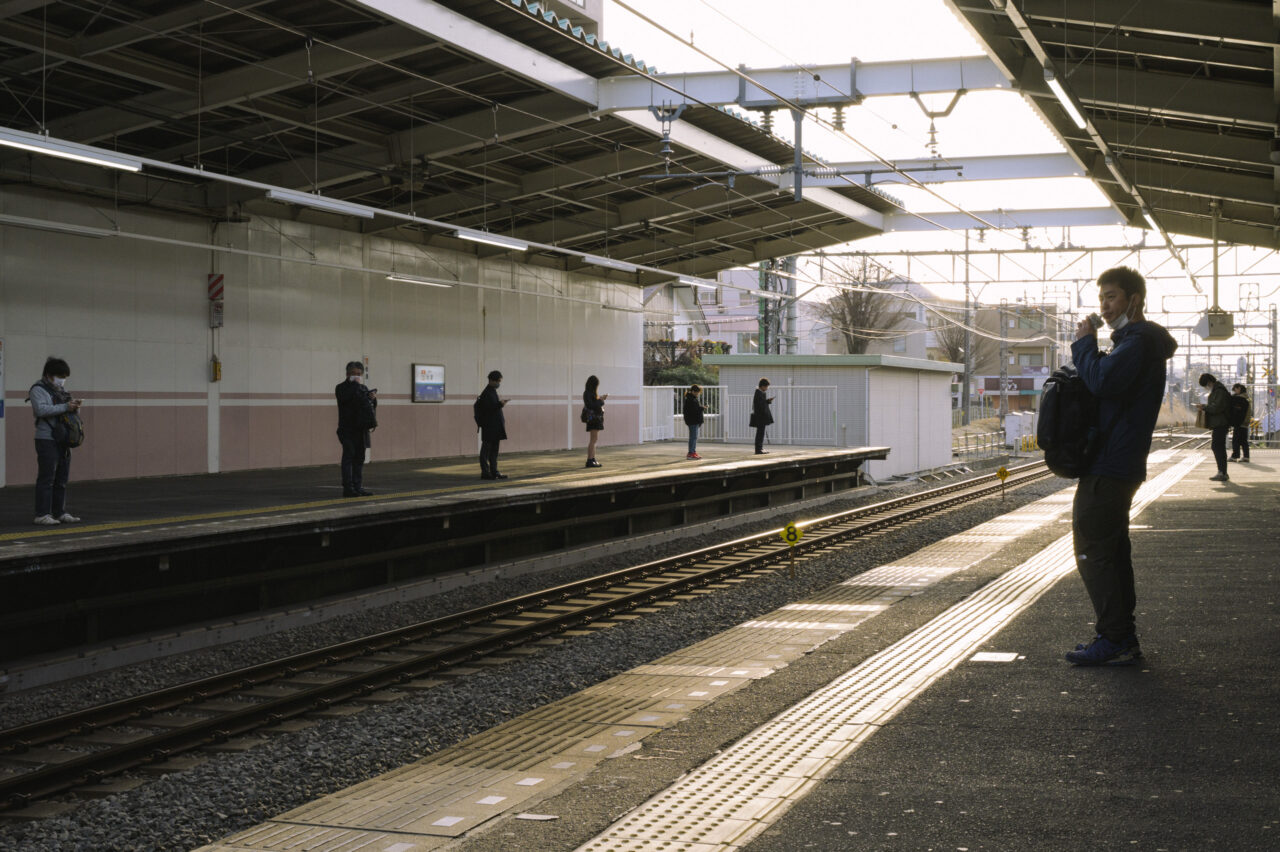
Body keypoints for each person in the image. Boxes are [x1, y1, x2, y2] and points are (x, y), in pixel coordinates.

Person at [1066, 266, 1177, 666]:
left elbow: (1103, 383)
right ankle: (1118, 636)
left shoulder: (1138, 342)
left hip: (1112, 463)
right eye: (1101, 299)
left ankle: (1115, 638)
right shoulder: (1135, 341)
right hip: (1117, 461)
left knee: (1095, 549)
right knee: (1111, 550)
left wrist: (1083, 346)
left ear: (1134, 300)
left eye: (1111, 297)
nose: (1105, 307)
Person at [26, 357, 83, 525]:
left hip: (63, 438)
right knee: (47, 477)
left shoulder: (62, 391)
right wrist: (66, 407)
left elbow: (69, 413)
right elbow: (41, 410)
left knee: (61, 478)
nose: (62, 380)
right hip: (46, 438)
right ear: (49, 375)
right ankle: (42, 514)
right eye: (59, 376)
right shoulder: (38, 389)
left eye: (64, 376)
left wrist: (75, 407)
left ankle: (59, 512)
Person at [335, 361, 377, 496]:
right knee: (349, 456)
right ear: (347, 374)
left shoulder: (363, 388)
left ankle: (357, 486)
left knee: (359, 458)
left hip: (361, 429)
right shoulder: (341, 388)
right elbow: (346, 399)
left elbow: (369, 406)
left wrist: (373, 399)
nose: (356, 376)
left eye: (359, 374)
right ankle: (348, 488)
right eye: (353, 374)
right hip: (346, 429)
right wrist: (355, 386)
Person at [1196, 372, 1230, 481]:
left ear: (1210, 382)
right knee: (1218, 446)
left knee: (1217, 446)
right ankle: (1222, 471)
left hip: (1221, 423)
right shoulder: (1217, 390)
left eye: (1206, 385)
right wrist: (1205, 407)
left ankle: (1222, 472)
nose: (1207, 387)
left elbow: (1216, 408)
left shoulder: (1219, 391)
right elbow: (1215, 406)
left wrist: (1205, 407)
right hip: (1218, 423)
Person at [476, 370, 508, 480]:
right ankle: (485, 472)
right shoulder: (486, 393)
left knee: (494, 451)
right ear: (491, 380)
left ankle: (494, 471)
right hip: (489, 427)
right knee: (486, 451)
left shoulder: (492, 391)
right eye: (498, 381)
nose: (499, 383)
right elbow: (488, 409)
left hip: (494, 427)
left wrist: (499, 404)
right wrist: (500, 404)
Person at [583, 375, 607, 468]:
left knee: (594, 440)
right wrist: (601, 400)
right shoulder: (588, 393)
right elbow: (591, 405)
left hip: (595, 419)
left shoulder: (589, 393)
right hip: (593, 419)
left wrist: (600, 399)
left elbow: (593, 403)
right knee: (593, 440)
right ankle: (589, 460)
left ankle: (593, 459)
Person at [1228, 383, 1252, 463]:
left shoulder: (1240, 399)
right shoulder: (1246, 398)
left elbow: (1237, 410)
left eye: (1235, 389)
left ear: (1239, 388)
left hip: (1240, 423)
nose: (1234, 391)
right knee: (1243, 440)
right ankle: (1246, 456)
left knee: (1236, 440)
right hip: (1245, 422)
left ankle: (1235, 456)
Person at [750, 378, 774, 454]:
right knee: (760, 433)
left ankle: (760, 448)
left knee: (761, 433)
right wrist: (766, 402)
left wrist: (767, 401)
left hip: (761, 417)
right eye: (766, 386)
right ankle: (758, 449)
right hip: (760, 417)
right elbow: (759, 405)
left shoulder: (760, 393)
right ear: (762, 386)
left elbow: (761, 403)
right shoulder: (758, 393)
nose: (766, 388)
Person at [683, 385, 705, 460]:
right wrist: (702, 408)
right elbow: (693, 411)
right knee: (693, 437)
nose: (697, 394)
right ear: (692, 391)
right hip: (693, 421)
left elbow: (694, 409)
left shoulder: (692, 398)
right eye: (696, 392)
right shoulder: (690, 399)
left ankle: (693, 452)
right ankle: (690, 453)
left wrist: (700, 408)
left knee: (694, 437)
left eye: (698, 392)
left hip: (694, 421)